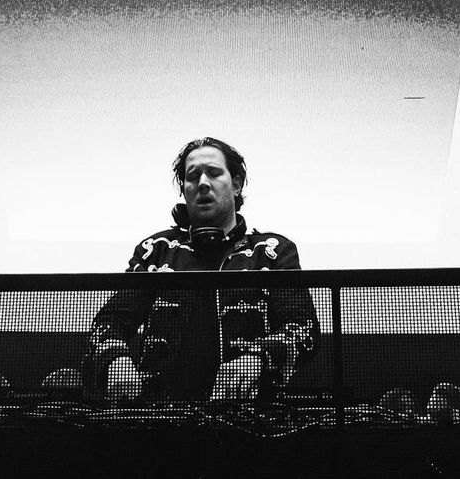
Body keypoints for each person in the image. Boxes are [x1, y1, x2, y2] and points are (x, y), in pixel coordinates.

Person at [81, 137, 318, 403]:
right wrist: (115, 360)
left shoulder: (273, 251)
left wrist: (257, 358)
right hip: (160, 416)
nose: (203, 183)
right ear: (184, 189)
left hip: (249, 416)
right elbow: (110, 320)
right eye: (192, 177)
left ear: (236, 185)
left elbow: (303, 328)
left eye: (214, 173)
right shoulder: (156, 250)